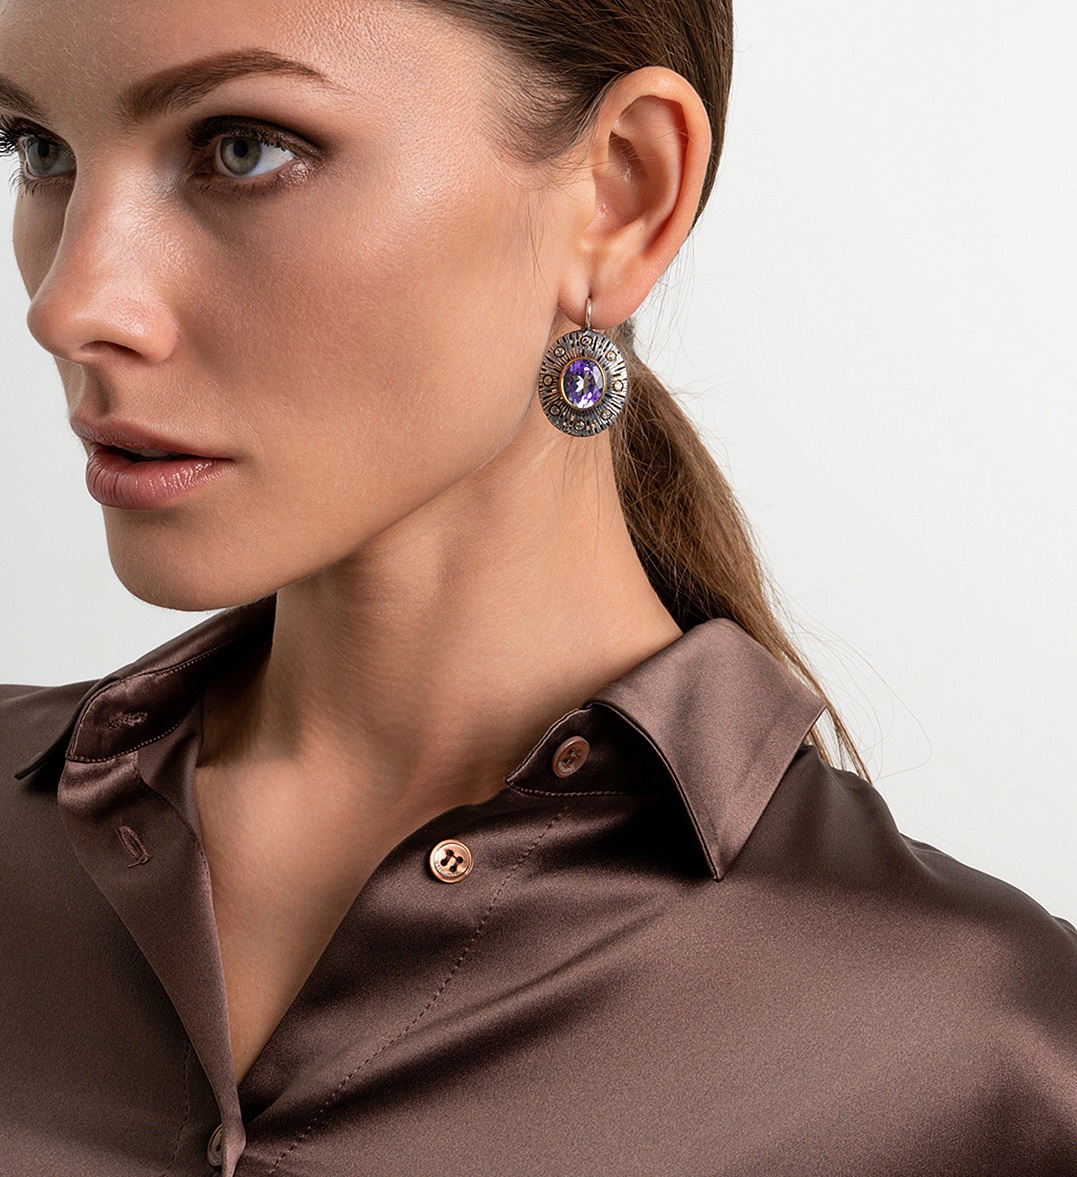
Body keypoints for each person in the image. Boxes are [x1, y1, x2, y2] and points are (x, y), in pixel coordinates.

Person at [0, 0, 1074, 1173]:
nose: (68, 304)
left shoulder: (987, 1061)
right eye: (39, 149)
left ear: (620, 195)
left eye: (243, 149)